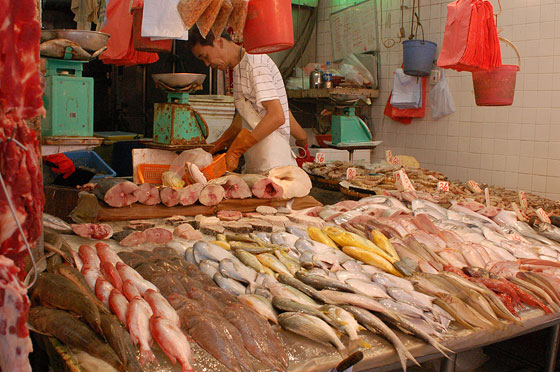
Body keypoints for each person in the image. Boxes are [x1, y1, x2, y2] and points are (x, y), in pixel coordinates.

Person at [189, 29, 308, 173]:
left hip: (274, 162)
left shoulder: (255, 63)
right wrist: (219, 143)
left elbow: (277, 116)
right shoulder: (238, 68)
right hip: (258, 160)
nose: (207, 64)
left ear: (219, 41)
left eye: (205, 56)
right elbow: (245, 117)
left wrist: (236, 151)